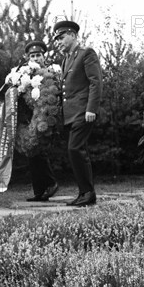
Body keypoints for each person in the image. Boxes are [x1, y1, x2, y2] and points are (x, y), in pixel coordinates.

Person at [53, 20, 102, 207]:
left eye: (62, 37)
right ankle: (85, 193)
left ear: (73, 35)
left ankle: (87, 193)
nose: (58, 42)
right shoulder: (66, 59)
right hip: (71, 115)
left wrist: (91, 109)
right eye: (56, 39)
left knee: (75, 149)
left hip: (83, 111)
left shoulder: (86, 54)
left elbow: (95, 82)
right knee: (77, 151)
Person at [22, 41, 59, 202]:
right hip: (30, 117)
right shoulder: (24, 74)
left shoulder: (50, 72)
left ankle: (51, 184)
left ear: (44, 56)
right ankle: (39, 191)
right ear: (27, 58)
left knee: (37, 148)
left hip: (48, 116)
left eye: (38, 55)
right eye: (32, 55)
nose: (36, 58)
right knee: (32, 152)